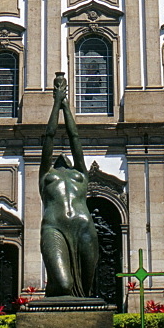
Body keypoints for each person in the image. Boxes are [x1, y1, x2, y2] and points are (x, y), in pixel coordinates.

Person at [39, 73, 99, 297]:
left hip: (84, 226)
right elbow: (49, 137)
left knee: (85, 289)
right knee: (64, 285)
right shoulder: (47, 175)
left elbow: (75, 138)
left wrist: (66, 107)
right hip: (54, 228)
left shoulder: (80, 174)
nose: (62, 157)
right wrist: (57, 104)